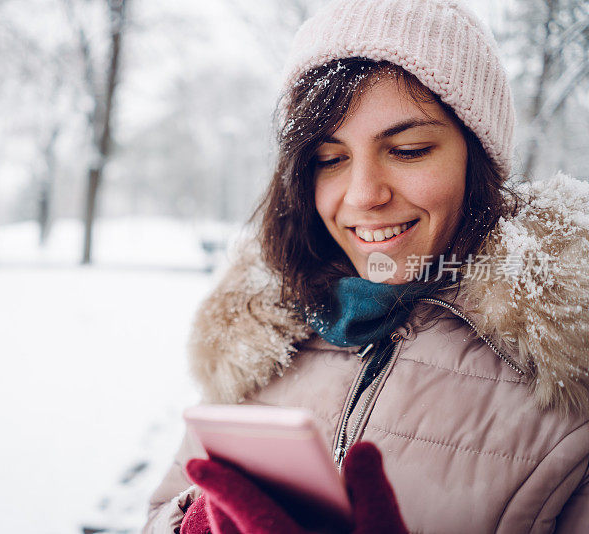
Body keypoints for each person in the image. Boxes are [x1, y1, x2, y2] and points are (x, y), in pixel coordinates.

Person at [144, 0, 589, 532]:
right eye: (330, 160)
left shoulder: (568, 377)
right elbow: (161, 511)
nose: (362, 195)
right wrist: (199, 523)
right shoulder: (255, 344)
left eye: (408, 149)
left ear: (477, 161)